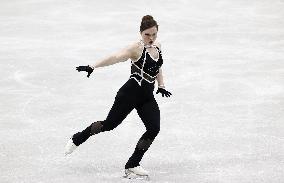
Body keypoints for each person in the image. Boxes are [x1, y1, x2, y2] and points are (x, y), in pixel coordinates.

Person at [65, 15, 172, 178]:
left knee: (153, 128)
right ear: (141, 33)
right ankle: (78, 137)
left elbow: (157, 68)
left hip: (146, 96)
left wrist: (161, 85)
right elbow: (114, 57)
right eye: (147, 35)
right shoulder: (136, 48)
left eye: (154, 34)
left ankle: (132, 165)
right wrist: (93, 66)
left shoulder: (157, 46)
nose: (151, 38)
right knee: (109, 125)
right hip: (128, 94)